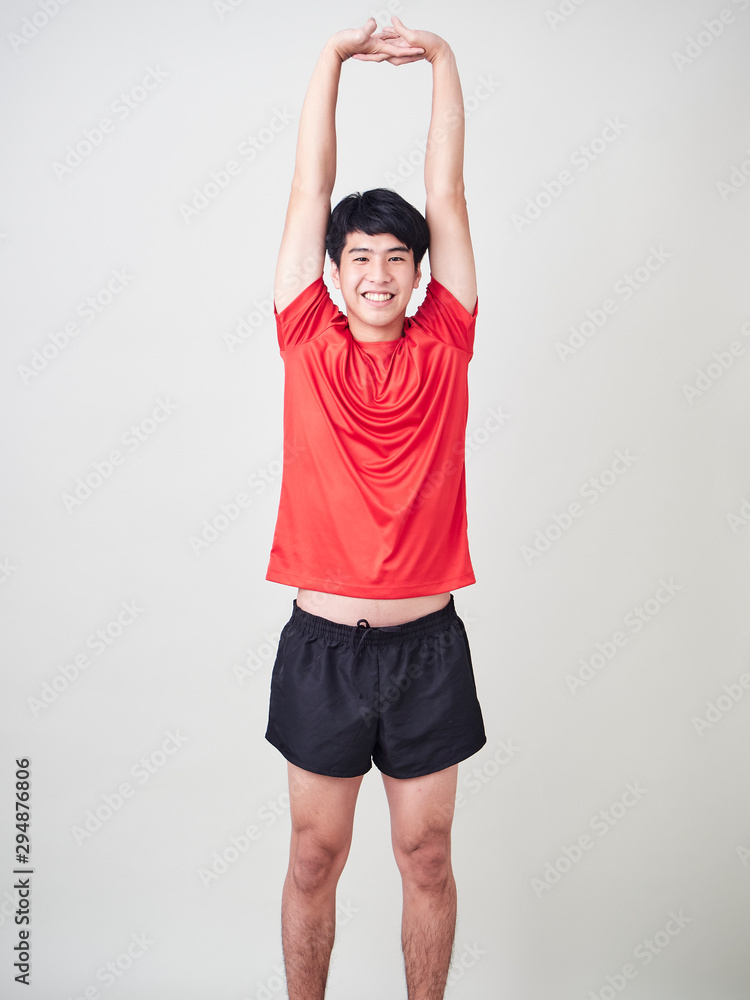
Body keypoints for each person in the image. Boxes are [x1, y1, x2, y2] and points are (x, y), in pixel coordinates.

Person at [264, 16, 486, 1000]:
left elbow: (448, 194)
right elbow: (309, 188)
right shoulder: (305, 335)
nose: (379, 273)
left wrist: (441, 59)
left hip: (428, 649)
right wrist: (332, 60)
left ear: (419, 273)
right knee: (315, 856)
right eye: (360, 257)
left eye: (398, 258)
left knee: (426, 856)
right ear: (335, 270)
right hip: (324, 651)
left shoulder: (448, 340)